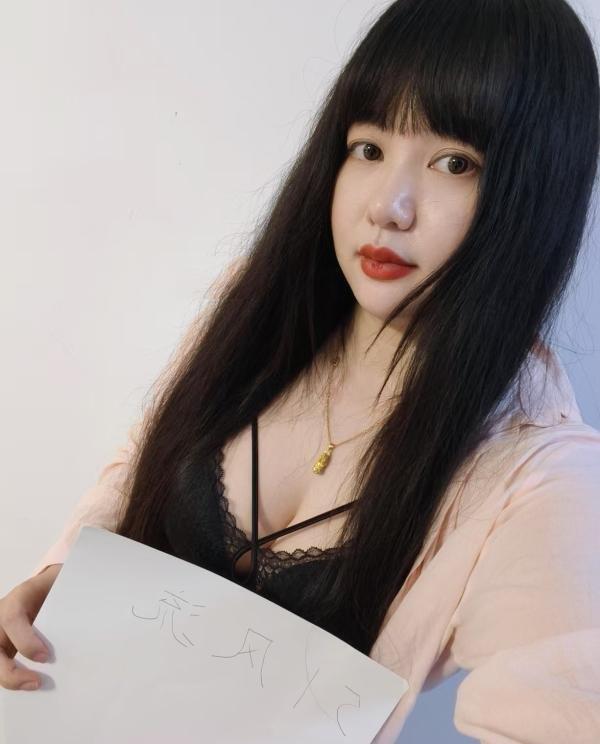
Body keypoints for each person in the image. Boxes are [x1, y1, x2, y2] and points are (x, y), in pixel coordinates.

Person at [2, 0, 600, 741]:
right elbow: (140, 462)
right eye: (368, 147)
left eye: (455, 163)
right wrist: (66, 582)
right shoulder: (259, 314)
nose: (388, 207)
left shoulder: (539, 477)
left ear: (535, 191)